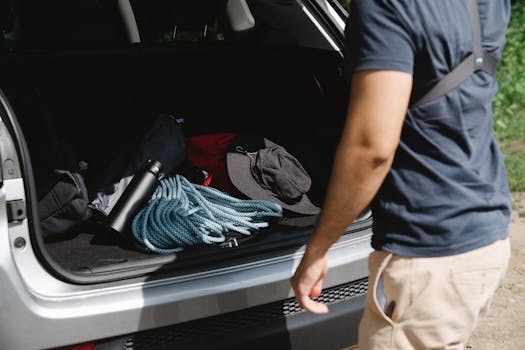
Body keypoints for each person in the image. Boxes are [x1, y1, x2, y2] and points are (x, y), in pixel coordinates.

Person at [290, 0, 512, 349]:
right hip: (488, 231)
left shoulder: (384, 5)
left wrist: (317, 249)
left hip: (427, 253)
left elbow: (372, 149)